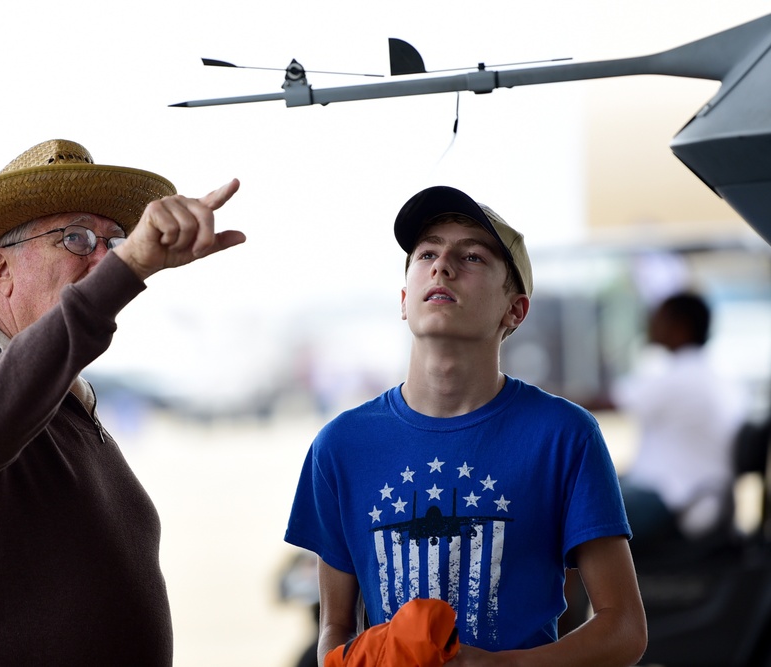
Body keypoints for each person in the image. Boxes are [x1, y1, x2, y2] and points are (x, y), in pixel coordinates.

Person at [0, 138, 245, 666]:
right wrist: (128, 268)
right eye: (78, 239)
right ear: (0, 268)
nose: (105, 257)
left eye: (114, 241)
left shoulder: (57, 391)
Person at [284, 186, 647, 666]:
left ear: (514, 309)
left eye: (472, 256)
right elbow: (334, 627)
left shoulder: (564, 435)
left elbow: (623, 628)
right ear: (404, 299)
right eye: (427, 253)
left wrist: (499, 666)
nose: (442, 266)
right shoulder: (340, 445)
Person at [613, 291, 747, 554]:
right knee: (588, 490)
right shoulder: (713, 375)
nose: (650, 323)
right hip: (696, 496)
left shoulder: (680, 376)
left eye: (659, 317)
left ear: (680, 327)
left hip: (678, 500)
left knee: (572, 509)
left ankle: (563, 596)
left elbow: (607, 402)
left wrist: (535, 396)